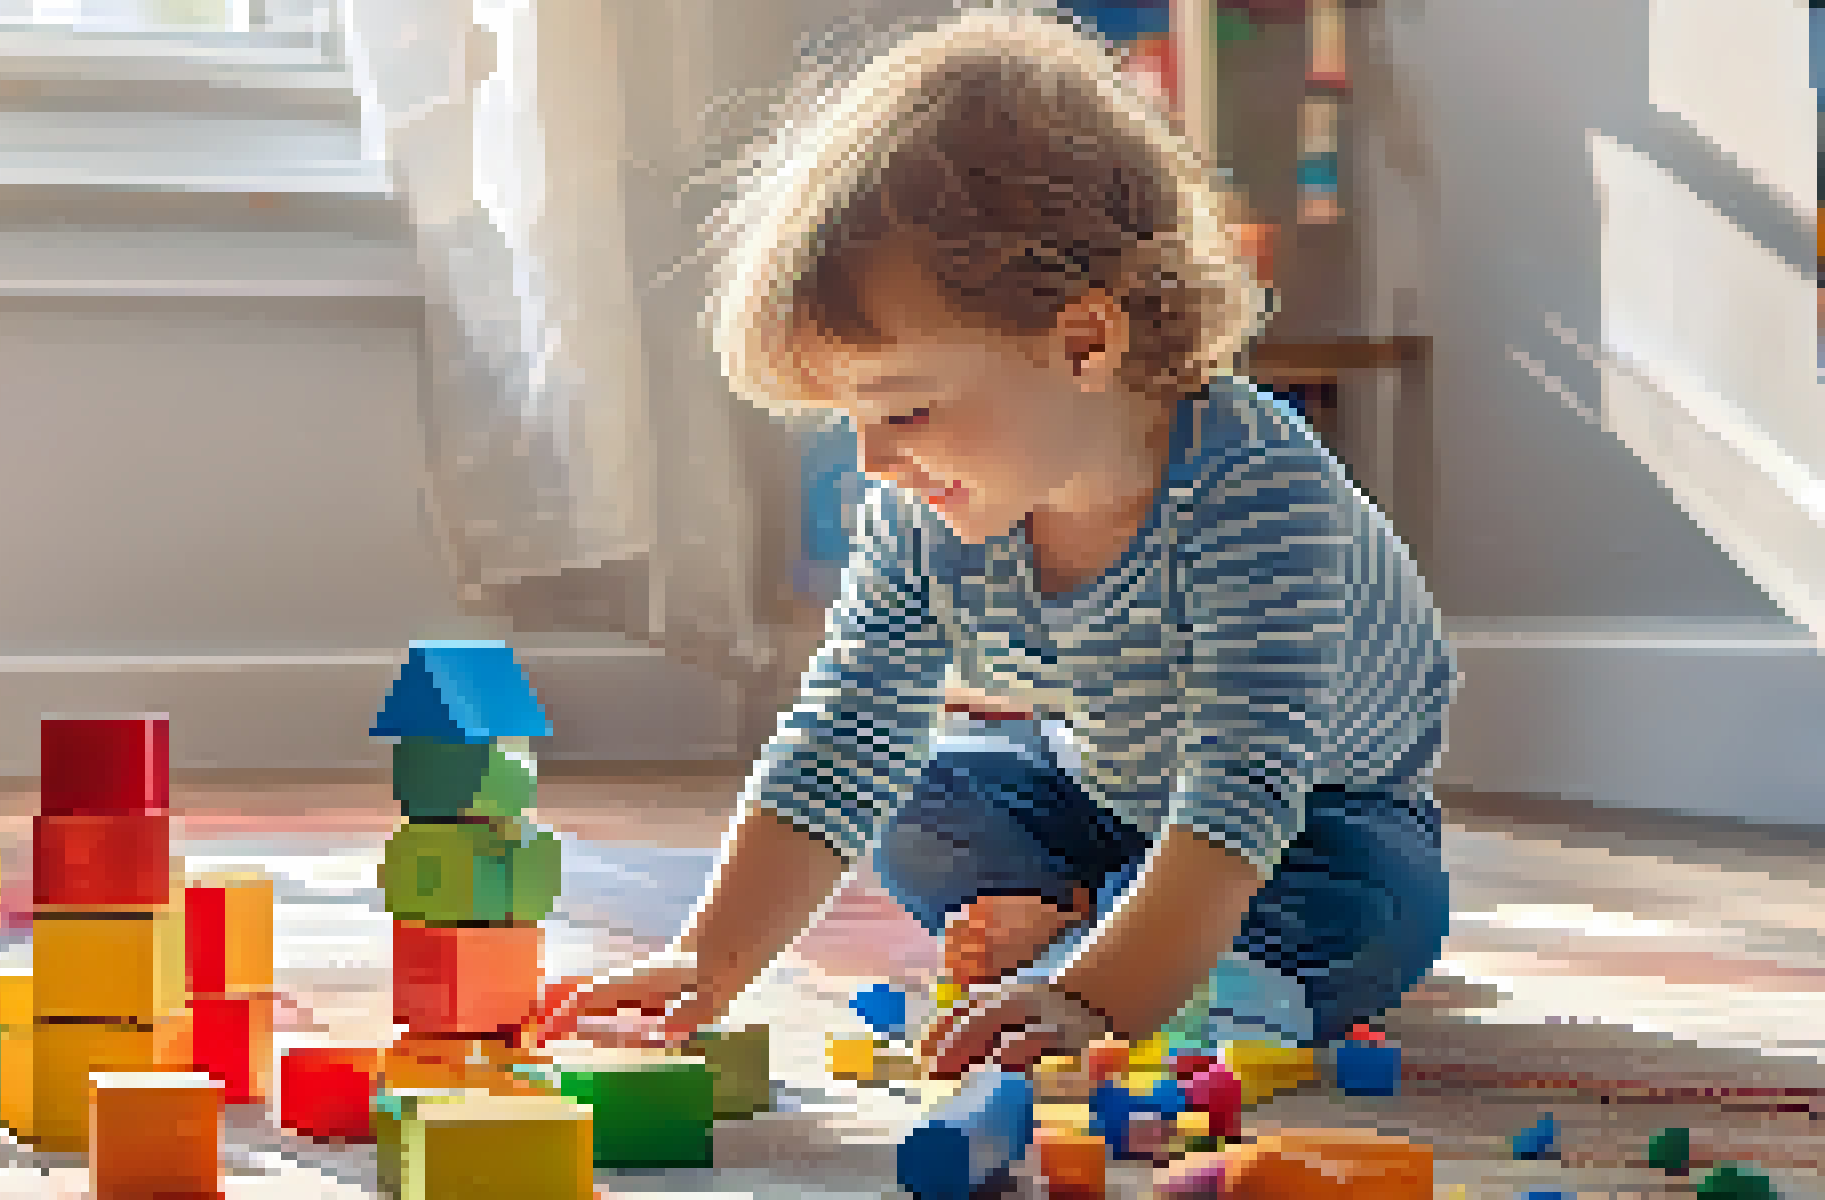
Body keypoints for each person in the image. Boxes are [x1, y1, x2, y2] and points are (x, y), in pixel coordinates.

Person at [531, 5, 1458, 1079]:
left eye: (906, 410)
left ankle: (1111, 948)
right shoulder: (927, 516)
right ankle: (1087, 915)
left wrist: (1091, 1002)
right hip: (1104, 791)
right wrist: (705, 960)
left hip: (1309, 814)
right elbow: (844, 736)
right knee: (926, 803)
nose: (875, 464)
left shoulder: (1260, 500)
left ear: (1081, 342)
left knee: (1373, 904)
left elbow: (1242, 789)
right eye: (853, 421)